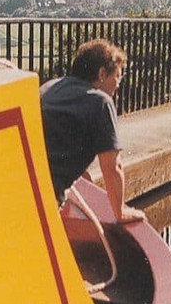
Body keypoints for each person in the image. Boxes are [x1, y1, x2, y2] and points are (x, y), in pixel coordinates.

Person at [40, 39, 145, 224]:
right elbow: (113, 167)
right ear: (102, 74)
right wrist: (120, 212)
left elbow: (57, 138)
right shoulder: (100, 102)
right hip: (46, 201)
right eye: (117, 76)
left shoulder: (50, 87)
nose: (118, 84)